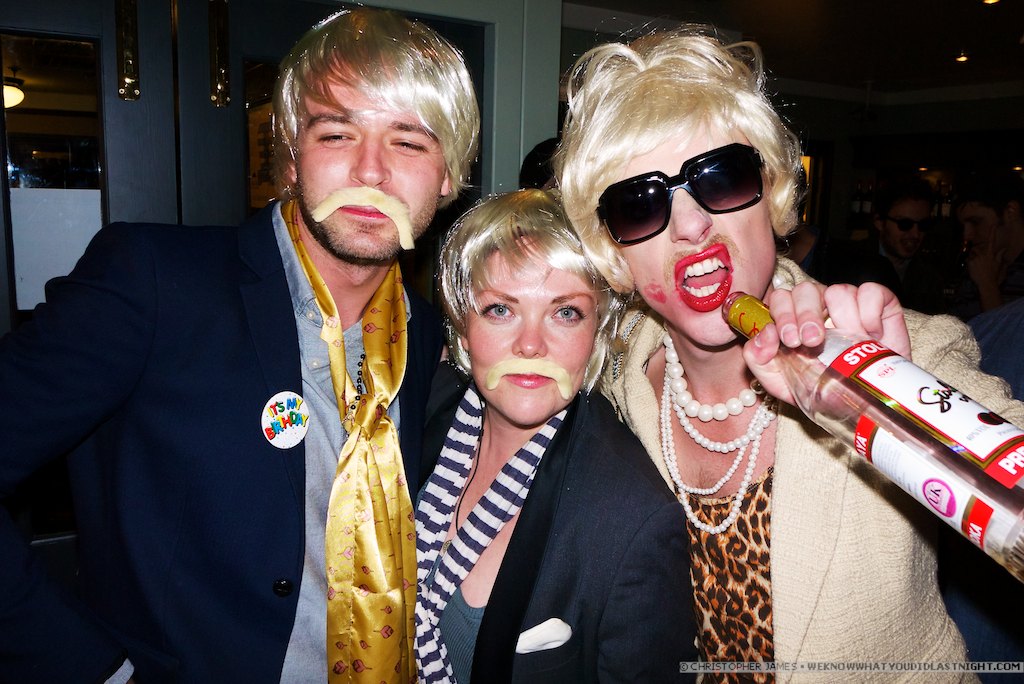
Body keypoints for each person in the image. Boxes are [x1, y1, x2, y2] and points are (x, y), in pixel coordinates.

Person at [0, 8, 479, 683]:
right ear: (291, 153)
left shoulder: (426, 335)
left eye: (408, 142)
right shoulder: (154, 283)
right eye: (337, 133)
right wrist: (97, 671)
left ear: (449, 174)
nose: (371, 171)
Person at [556, 27, 1024, 679]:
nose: (690, 225)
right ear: (615, 250)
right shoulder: (607, 373)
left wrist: (893, 405)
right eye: (640, 204)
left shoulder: (898, 348)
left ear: (770, 190)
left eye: (720, 178)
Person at [415, 189, 697, 682]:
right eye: (500, 309)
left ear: (596, 333)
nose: (530, 344)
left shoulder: (633, 521)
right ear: (462, 326)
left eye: (565, 312)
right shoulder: (421, 411)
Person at [948, 171, 1024, 320]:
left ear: (1010, 211)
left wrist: (987, 286)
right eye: (963, 226)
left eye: (976, 222)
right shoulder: (974, 268)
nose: (967, 235)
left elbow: (1007, 334)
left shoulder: (980, 272)